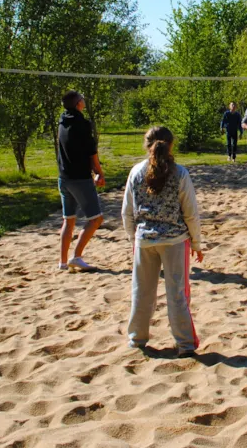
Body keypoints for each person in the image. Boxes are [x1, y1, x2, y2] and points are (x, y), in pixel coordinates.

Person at [122, 126, 203, 355]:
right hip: (175, 240)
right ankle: (185, 344)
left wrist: (133, 237)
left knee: (142, 291)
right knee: (177, 293)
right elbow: (190, 213)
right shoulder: (179, 173)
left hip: (144, 240)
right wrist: (196, 243)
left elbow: (127, 211)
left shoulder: (135, 172)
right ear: (171, 144)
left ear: (146, 144)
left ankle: (136, 339)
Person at [57, 90, 105, 272]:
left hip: (64, 178)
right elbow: (91, 151)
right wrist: (98, 172)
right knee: (96, 219)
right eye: (82, 98)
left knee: (68, 221)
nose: (84, 100)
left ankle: (62, 263)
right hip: (80, 178)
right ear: (78, 104)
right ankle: (76, 257)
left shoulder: (62, 121)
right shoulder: (82, 124)